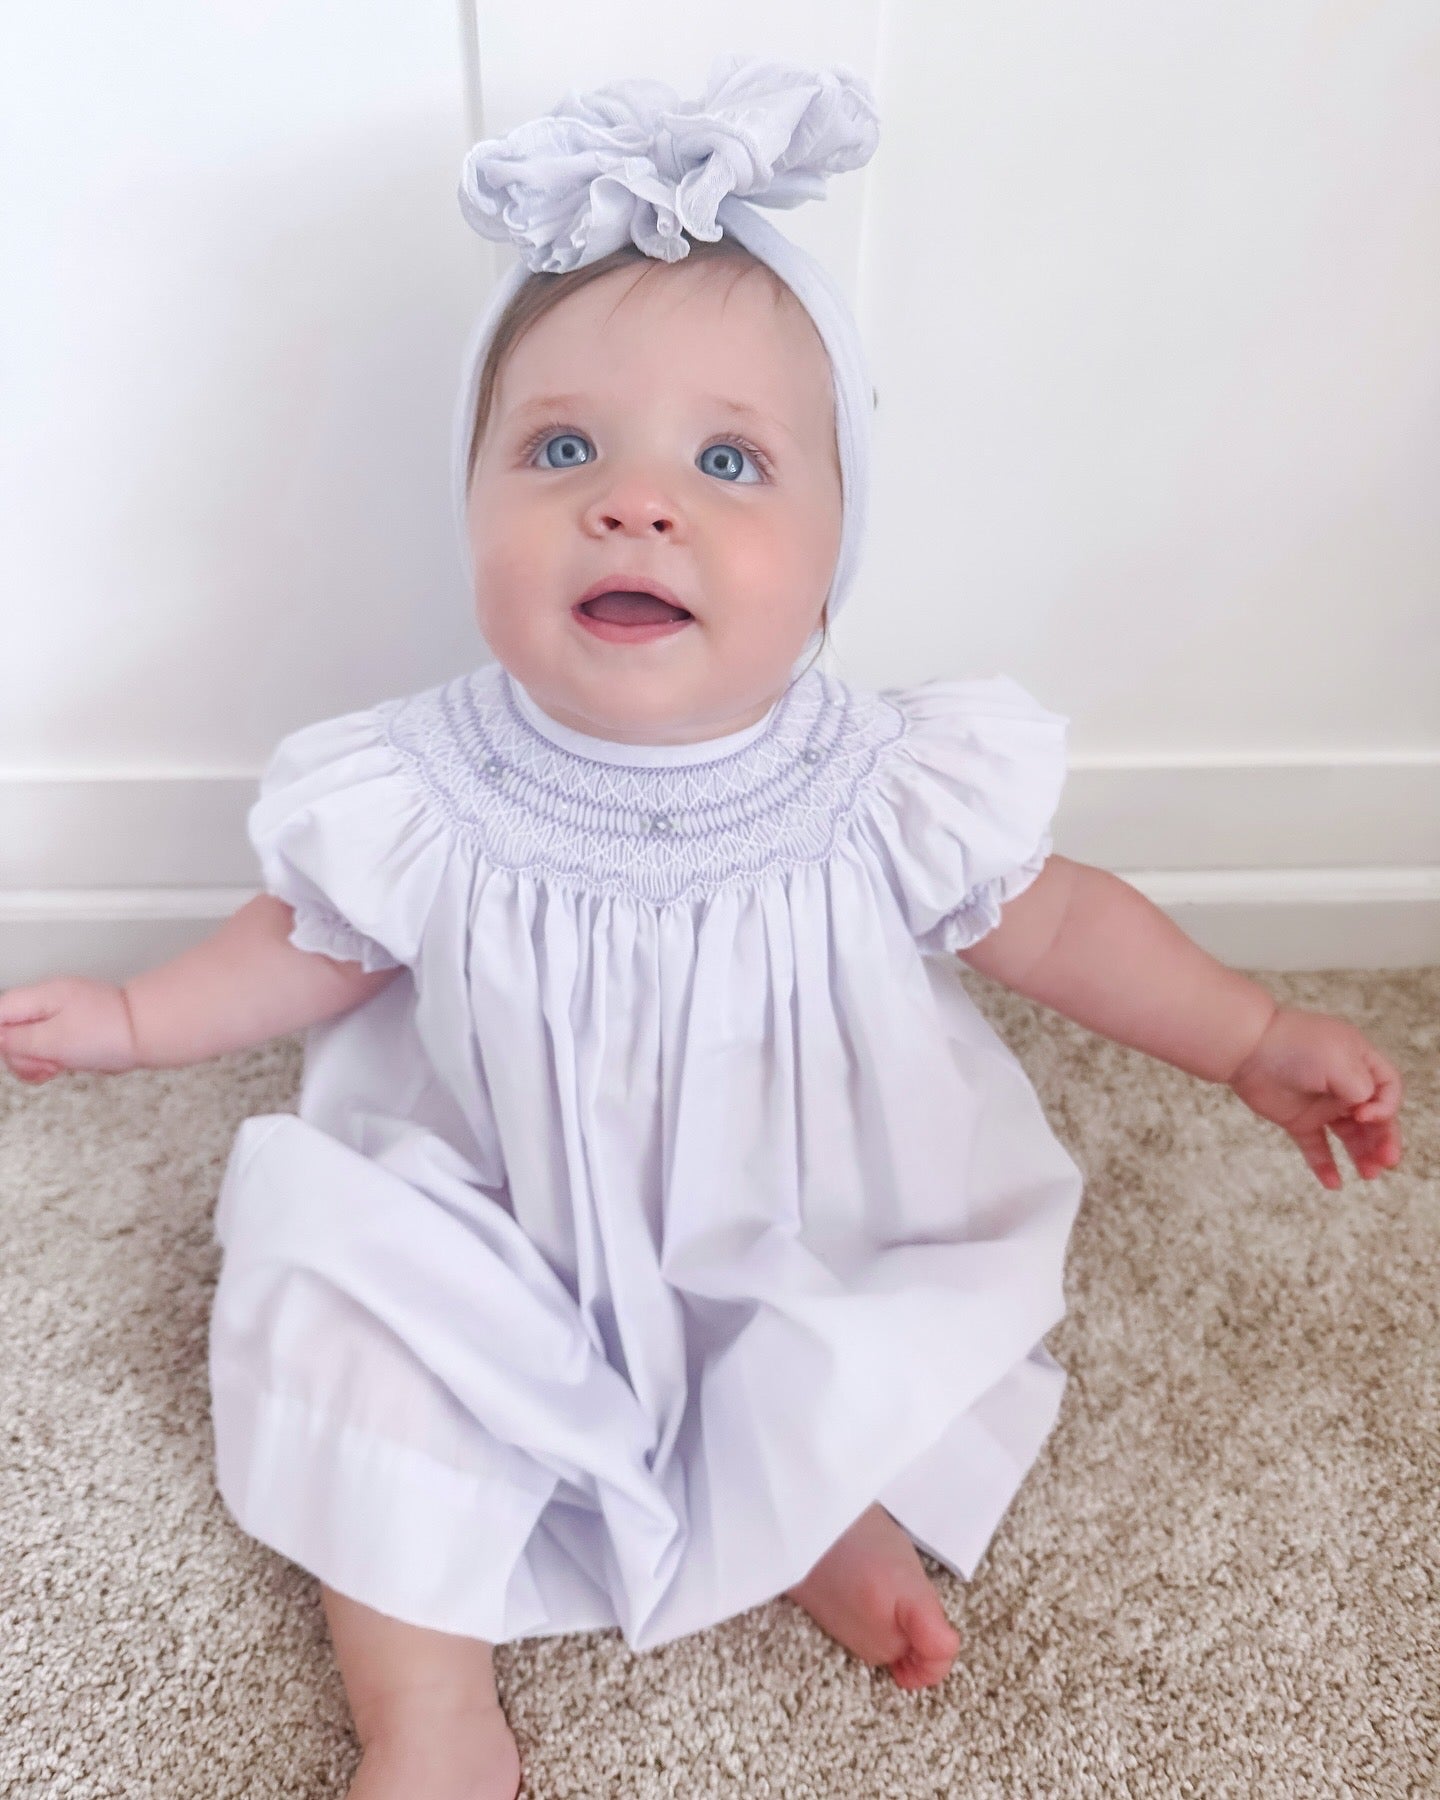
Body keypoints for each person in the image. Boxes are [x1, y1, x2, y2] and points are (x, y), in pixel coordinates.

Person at [0, 55, 1405, 1800]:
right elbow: (314, 938)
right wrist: (137, 1021)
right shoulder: (425, 783)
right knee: (342, 1312)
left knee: (833, 1353)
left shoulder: (882, 784)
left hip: (787, 1224)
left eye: (728, 460)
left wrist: (1251, 1036)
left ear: (834, 551)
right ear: (472, 501)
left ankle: (802, 1515)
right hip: (493, 1223)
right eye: (561, 448)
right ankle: (431, 1715)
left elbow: (1060, 927)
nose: (634, 501)